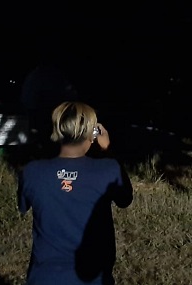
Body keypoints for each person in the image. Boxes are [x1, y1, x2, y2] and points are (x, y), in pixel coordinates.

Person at [18, 101, 133, 285]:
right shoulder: (108, 169)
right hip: (92, 277)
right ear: (91, 133)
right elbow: (125, 199)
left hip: (44, 277)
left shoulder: (32, 171)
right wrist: (108, 150)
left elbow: (23, 206)